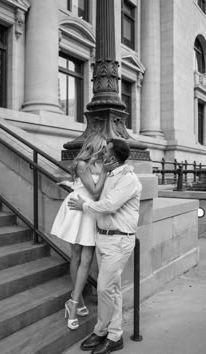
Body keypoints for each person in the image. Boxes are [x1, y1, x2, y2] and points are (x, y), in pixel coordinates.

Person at [68, 138, 142, 354]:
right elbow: (96, 191)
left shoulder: (129, 179)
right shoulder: (110, 174)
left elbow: (109, 205)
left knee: (104, 288)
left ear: (114, 156)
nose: (102, 154)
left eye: (106, 151)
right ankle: (113, 334)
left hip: (119, 240)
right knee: (113, 289)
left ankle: (102, 331)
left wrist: (84, 205)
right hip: (104, 237)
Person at [51, 133, 117, 331]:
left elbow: (100, 192)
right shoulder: (82, 163)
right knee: (77, 255)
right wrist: (104, 173)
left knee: (87, 259)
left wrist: (73, 184)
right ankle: (76, 302)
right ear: (96, 146)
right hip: (77, 209)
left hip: (90, 210)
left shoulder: (103, 164)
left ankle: (73, 301)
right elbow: (95, 191)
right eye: (104, 146)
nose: (106, 150)